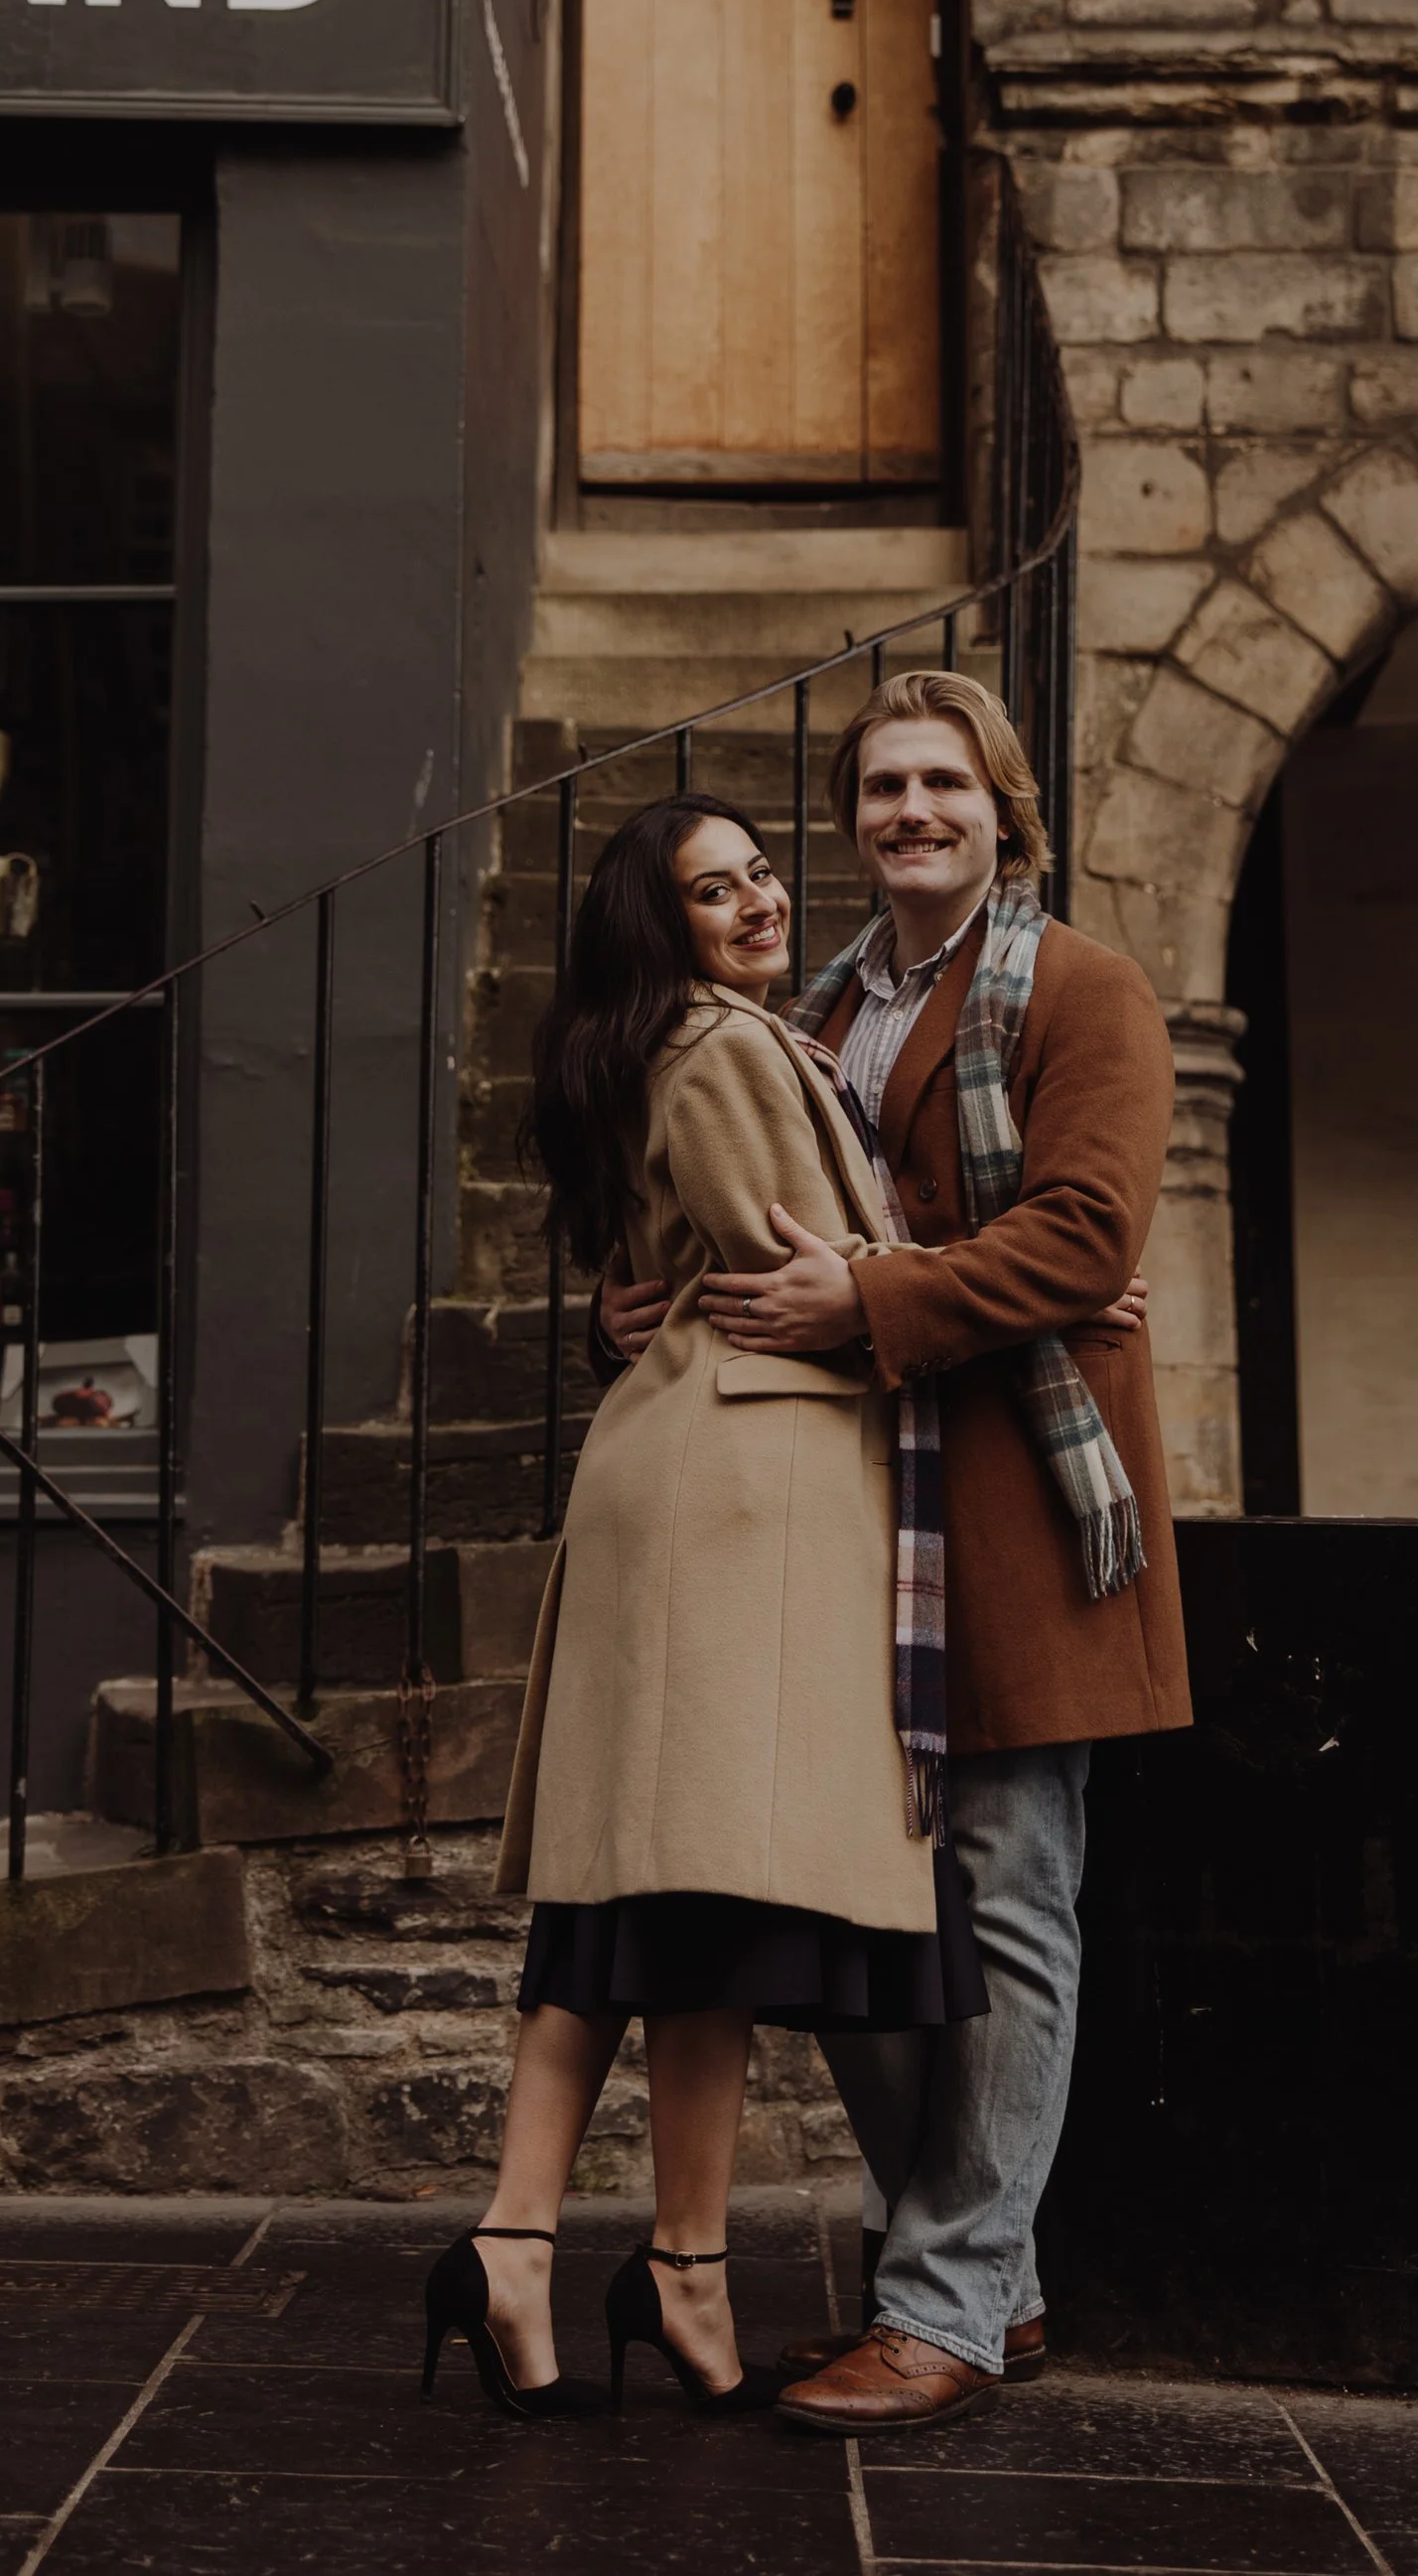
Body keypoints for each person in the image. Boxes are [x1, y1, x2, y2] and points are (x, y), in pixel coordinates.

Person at [601, 671, 1189, 2432]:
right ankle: (989, 2277)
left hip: (1017, 1508)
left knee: (1008, 1901)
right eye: (881, 786)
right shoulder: (819, 1005)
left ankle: (942, 2297)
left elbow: (1084, 1234)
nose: (911, 810)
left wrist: (875, 1294)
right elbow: (743, 1229)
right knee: (848, 1910)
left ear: (1006, 808)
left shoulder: (1083, 987)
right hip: (849, 1513)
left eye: (944, 781)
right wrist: (634, 1304)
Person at [424, 792, 985, 2423]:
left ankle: (641, 2260)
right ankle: (581, 2250)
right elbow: (803, 1258)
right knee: (672, 1897)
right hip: (738, 1497)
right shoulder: (727, 1044)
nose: (756, 901)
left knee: (671, 1903)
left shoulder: (667, 1042)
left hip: (707, 1480)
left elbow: (676, 1266)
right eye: (712, 888)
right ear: (657, 923)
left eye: (759, 873)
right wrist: (993, 1283)